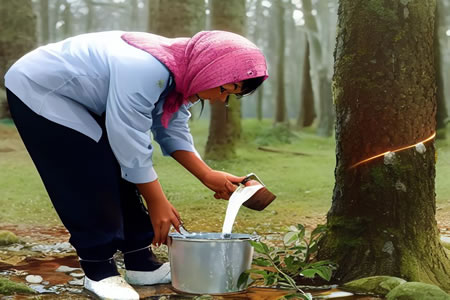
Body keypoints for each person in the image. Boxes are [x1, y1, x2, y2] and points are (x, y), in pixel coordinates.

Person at [4, 30, 268, 299]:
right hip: (41, 88)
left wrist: (208, 175)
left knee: (120, 172)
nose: (221, 99)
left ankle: (141, 263)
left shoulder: (181, 71)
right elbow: (129, 138)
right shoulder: (145, 67)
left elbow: (172, 129)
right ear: (212, 69)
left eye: (231, 95)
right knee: (89, 175)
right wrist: (156, 201)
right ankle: (98, 270)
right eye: (225, 88)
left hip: (81, 99)